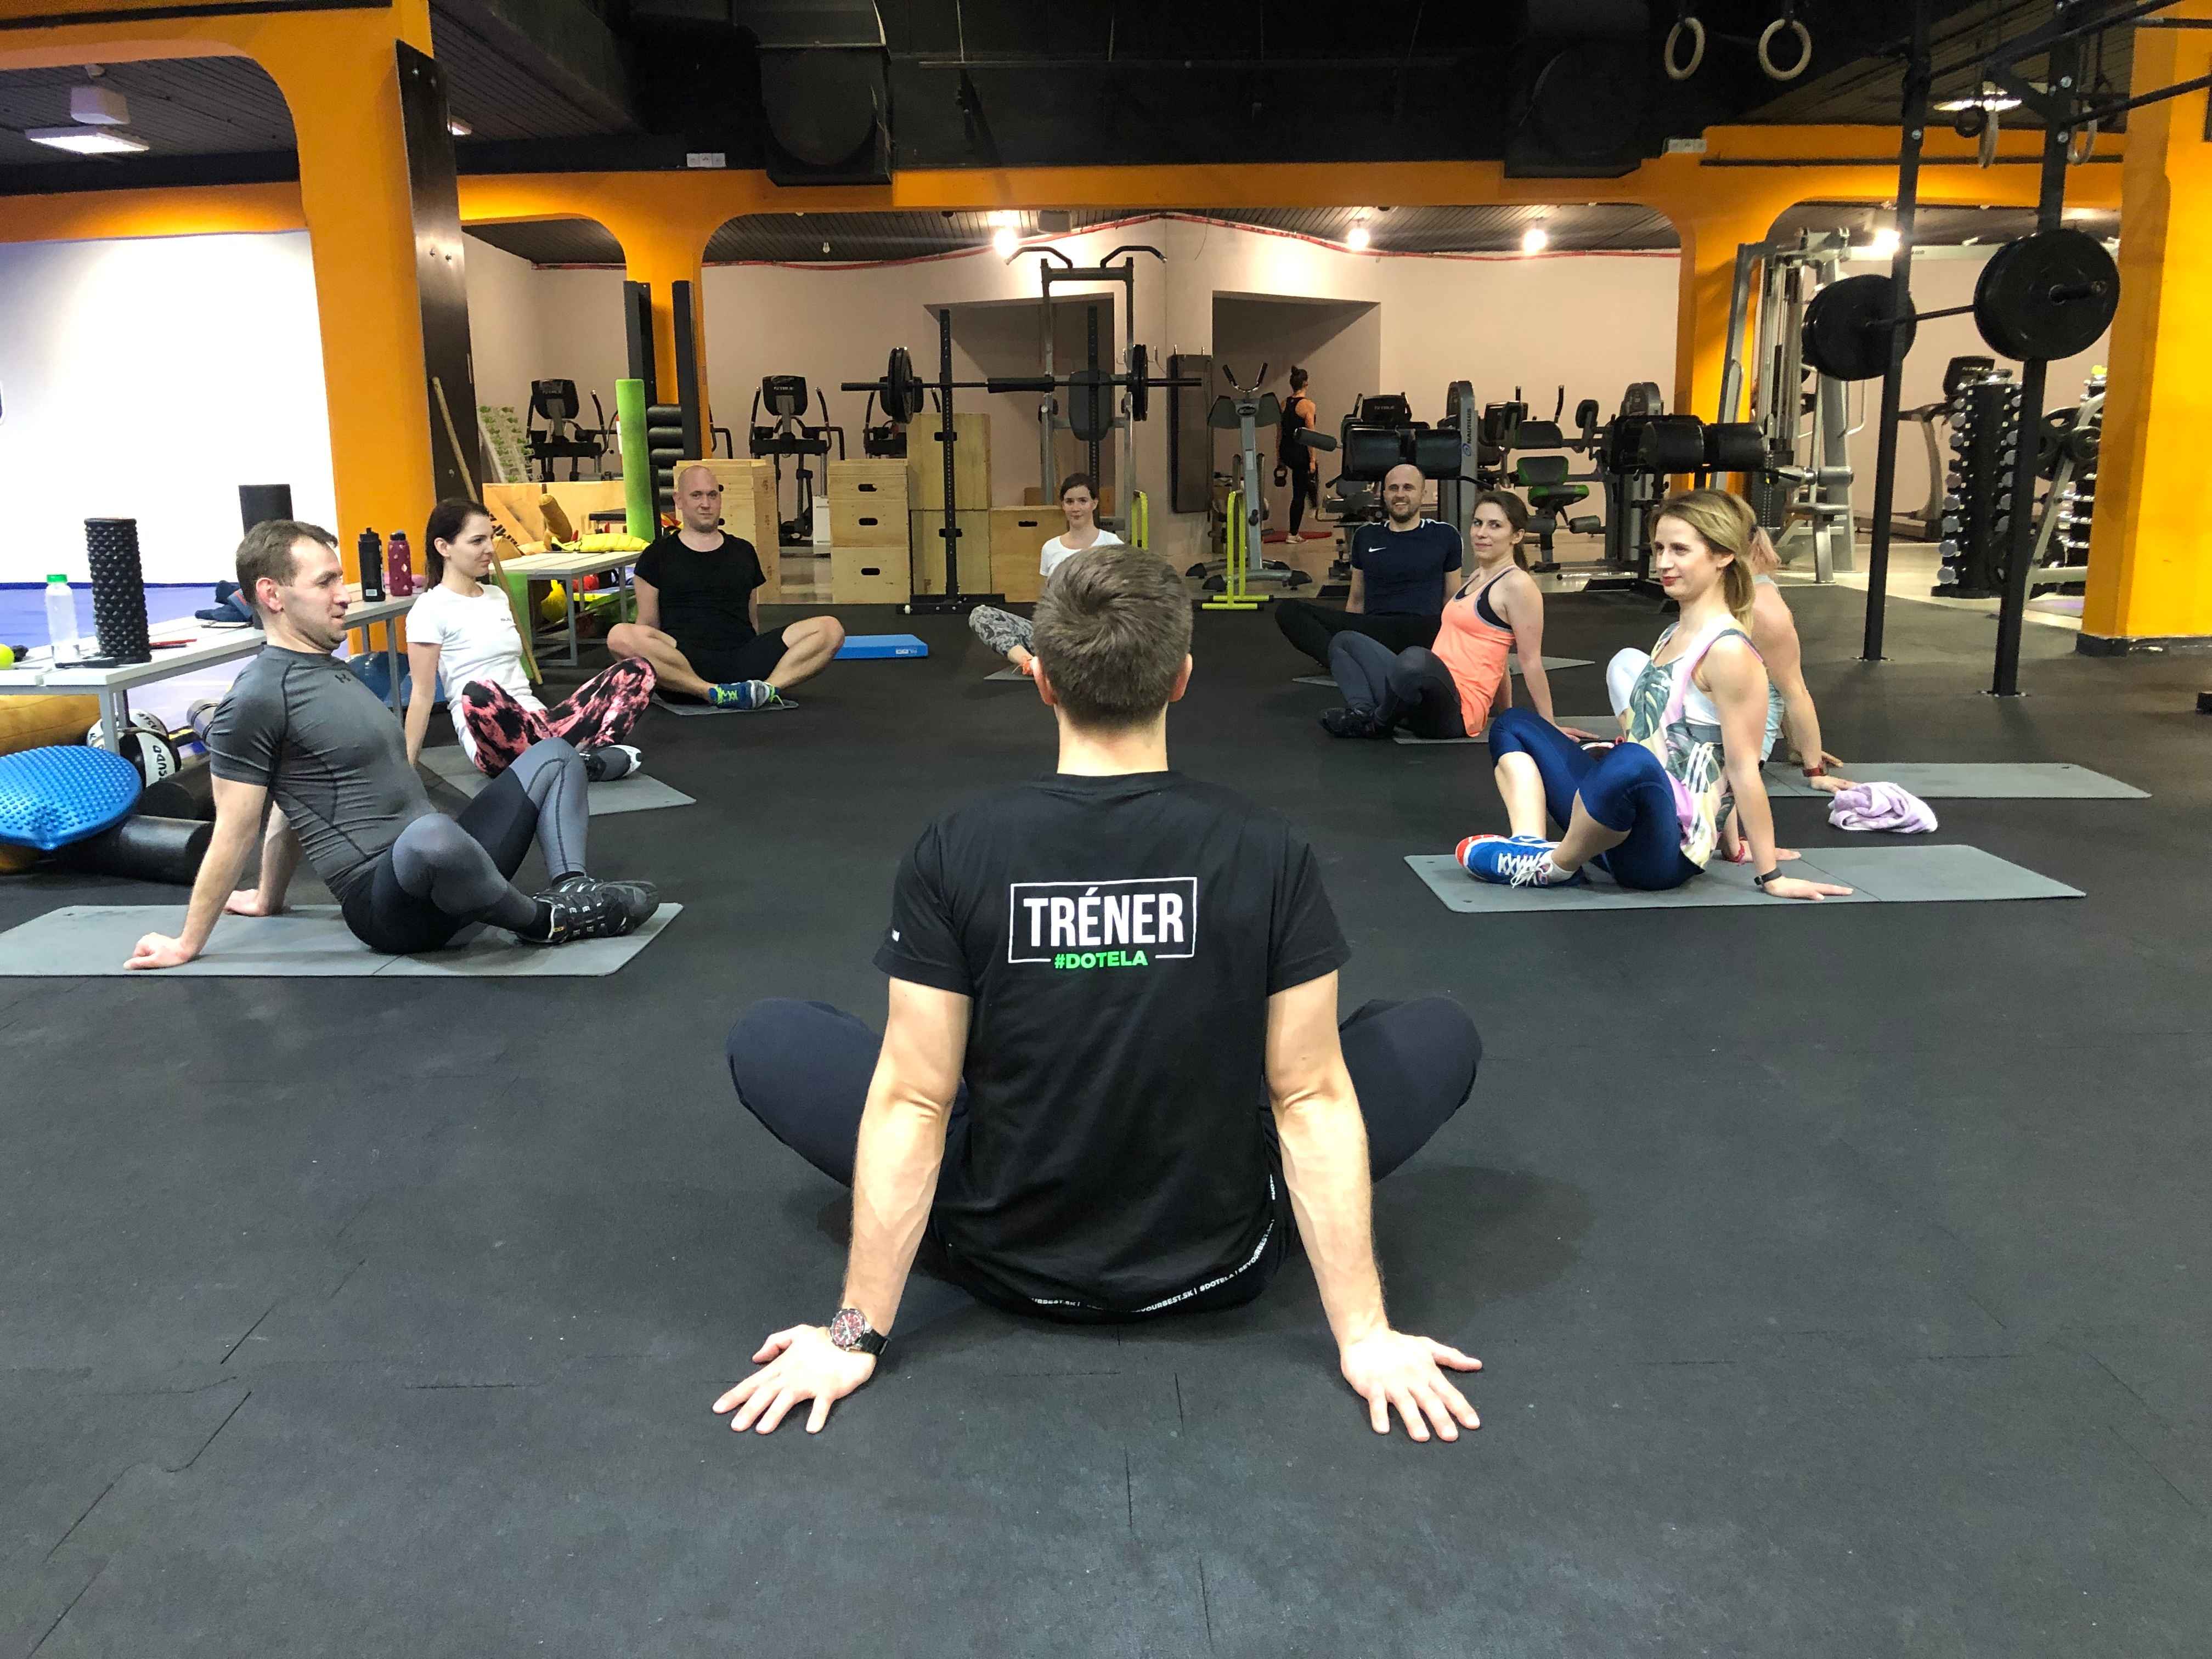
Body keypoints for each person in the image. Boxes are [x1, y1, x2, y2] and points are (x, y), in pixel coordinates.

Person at [713, 545, 1486, 1441]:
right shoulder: (1266, 847)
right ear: (1182, 678)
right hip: (1223, 1258)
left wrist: (855, 1335)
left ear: (1042, 681)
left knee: (778, 1035)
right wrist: (1366, 1336)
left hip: (1002, 1256)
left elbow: (916, 1099)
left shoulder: (957, 845)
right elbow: (1307, 1096)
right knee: (1428, 1031)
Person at [125, 520, 658, 970]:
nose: (343, 594)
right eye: (326, 582)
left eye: (340, 578)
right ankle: (545, 922)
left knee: (555, 757)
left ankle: (572, 890)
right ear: (272, 595)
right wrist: (186, 943)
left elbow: (290, 804)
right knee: (432, 834)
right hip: (390, 908)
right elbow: (233, 830)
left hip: (449, 870)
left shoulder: (330, 671)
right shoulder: (258, 696)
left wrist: (269, 897)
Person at [1457, 489, 1854, 901]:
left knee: (1632, 761)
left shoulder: (1729, 651)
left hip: (1662, 854)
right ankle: (1528, 847)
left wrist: (1771, 875)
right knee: (1514, 724)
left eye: (1680, 550)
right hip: (1616, 827)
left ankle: (1554, 867)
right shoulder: (1672, 634)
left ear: (1722, 556)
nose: (1663, 563)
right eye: (1660, 548)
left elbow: (1742, 770)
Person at [404, 499, 653, 780]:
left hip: (540, 723)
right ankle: (569, 758)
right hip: (494, 738)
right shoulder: (429, 610)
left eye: (490, 538)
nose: (490, 549)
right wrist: (406, 773)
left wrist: (542, 723)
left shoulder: (497, 596)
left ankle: (584, 756)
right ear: (443, 547)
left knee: (637, 671)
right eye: (477, 541)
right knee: (478, 692)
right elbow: (422, 695)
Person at [1321, 490, 1583, 742]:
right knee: (1345, 642)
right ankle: (1364, 713)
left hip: (1455, 713)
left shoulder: (1518, 585)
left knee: (1415, 659)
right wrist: (1506, 713)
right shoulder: (1477, 577)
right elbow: (1499, 659)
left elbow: (1531, 661)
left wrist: (1548, 724)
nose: (1482, 533)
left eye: (1495, 526)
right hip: (1427, 694)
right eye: (1478, 523)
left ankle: (1377, 724)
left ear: (1517, 535)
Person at [605, 464, 845, 709]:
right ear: (679, 500)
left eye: (712, 495)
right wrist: (656, 667)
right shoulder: (656, 555)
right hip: (685, 664)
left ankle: (765, 690)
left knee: (830, 628)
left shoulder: (743, 551)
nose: (706, 504)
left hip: (743, 658)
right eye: (696, 495)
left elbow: (752, 621)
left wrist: (759, 660)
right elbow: (648, 625)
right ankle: (710, 693)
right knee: (619, 637)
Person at [1275, 463, 1460, 670]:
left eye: (1408, 488)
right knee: (1289, 611)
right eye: (1393, 488)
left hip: (1424, 629)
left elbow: (1452, 601)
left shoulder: (1445, 535)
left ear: (1423, 494)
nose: (1400, 495)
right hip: (1375, 629)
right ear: (1384, 494)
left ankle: (1358, 663)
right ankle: (1346, 663)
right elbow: (1357, 600)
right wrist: (1349, 638)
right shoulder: (1366, 535)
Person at [966, 473, 1122, 675]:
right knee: (981, 615)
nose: (1076, 508)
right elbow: (1047, 601)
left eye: (1083, 501)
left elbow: (1122, 601)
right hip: (1057, 637)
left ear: (1094, 503)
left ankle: (1076, 662)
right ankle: (1030, 664)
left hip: (1096, 636)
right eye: (1070, 502)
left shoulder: (1113, 545)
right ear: (1063, 505)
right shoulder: (1051, 548)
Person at [1278, 366, 1321, 534]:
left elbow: (1279, 434)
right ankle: (1294, 532)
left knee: (1303, 484)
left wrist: (1279, 459)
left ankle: (1314, 505)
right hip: (1299, 453)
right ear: (1306, 383)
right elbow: (1311, 436)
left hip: (1286, 451)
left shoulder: (1284, 404)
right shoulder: (1308, 405)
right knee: (1299, 493)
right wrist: (1312, 460)